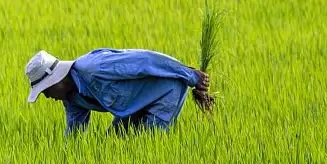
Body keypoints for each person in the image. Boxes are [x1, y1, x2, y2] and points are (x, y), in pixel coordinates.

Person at [24, 48, 213, 134]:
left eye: (46, 91)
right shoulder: (71, 99)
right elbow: (75, 133)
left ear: (57, 80)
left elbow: (146, 61)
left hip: (164, 91)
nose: (48, 97)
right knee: (114, 142)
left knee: (147, 147)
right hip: (131, 104)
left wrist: (191, 76)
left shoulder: (95, 67)